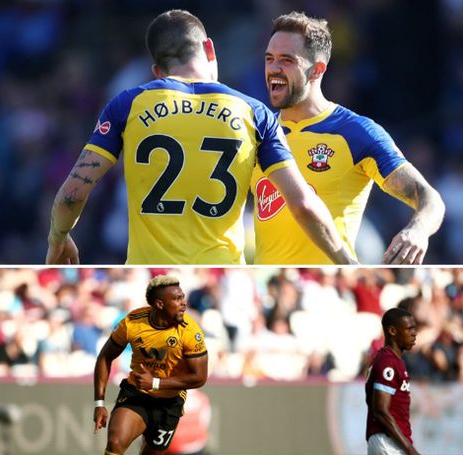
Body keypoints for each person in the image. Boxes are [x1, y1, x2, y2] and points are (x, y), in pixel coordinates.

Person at [45, 9, 354, 265]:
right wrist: (344, 259)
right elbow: (303, 205)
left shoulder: (127, 104)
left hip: (151, 273)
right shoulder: (254, 112)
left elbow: (72, 194)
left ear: (157, 71)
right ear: (209, 49)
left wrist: (58, 237)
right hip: (222, 269)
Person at [254, 12, 444, 265]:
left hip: (334, 276)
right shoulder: (257, 132)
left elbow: (430, 198)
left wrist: (417, 231)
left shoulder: (356, 132)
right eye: (270, 59)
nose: (274, 68)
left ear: (317, 69)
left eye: (287, 60)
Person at [290, 308, 435, 455]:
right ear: (393, 331)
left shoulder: (393, 361)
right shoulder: (387, 363)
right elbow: (381, 411)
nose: (415, 333)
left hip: (387, 443)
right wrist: (410, 450)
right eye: (410, 329)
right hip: (389, 443)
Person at [92, 275, 208, 455]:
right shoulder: (132, 323)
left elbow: (199, 377)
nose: (183, 303)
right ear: (158, 304)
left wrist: (155, 383)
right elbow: (104, 357)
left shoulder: (190, 332)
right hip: (136, 394)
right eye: (176, 299)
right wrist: (99, 402)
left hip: (169, 402)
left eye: (183, 297)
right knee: (115, 444)